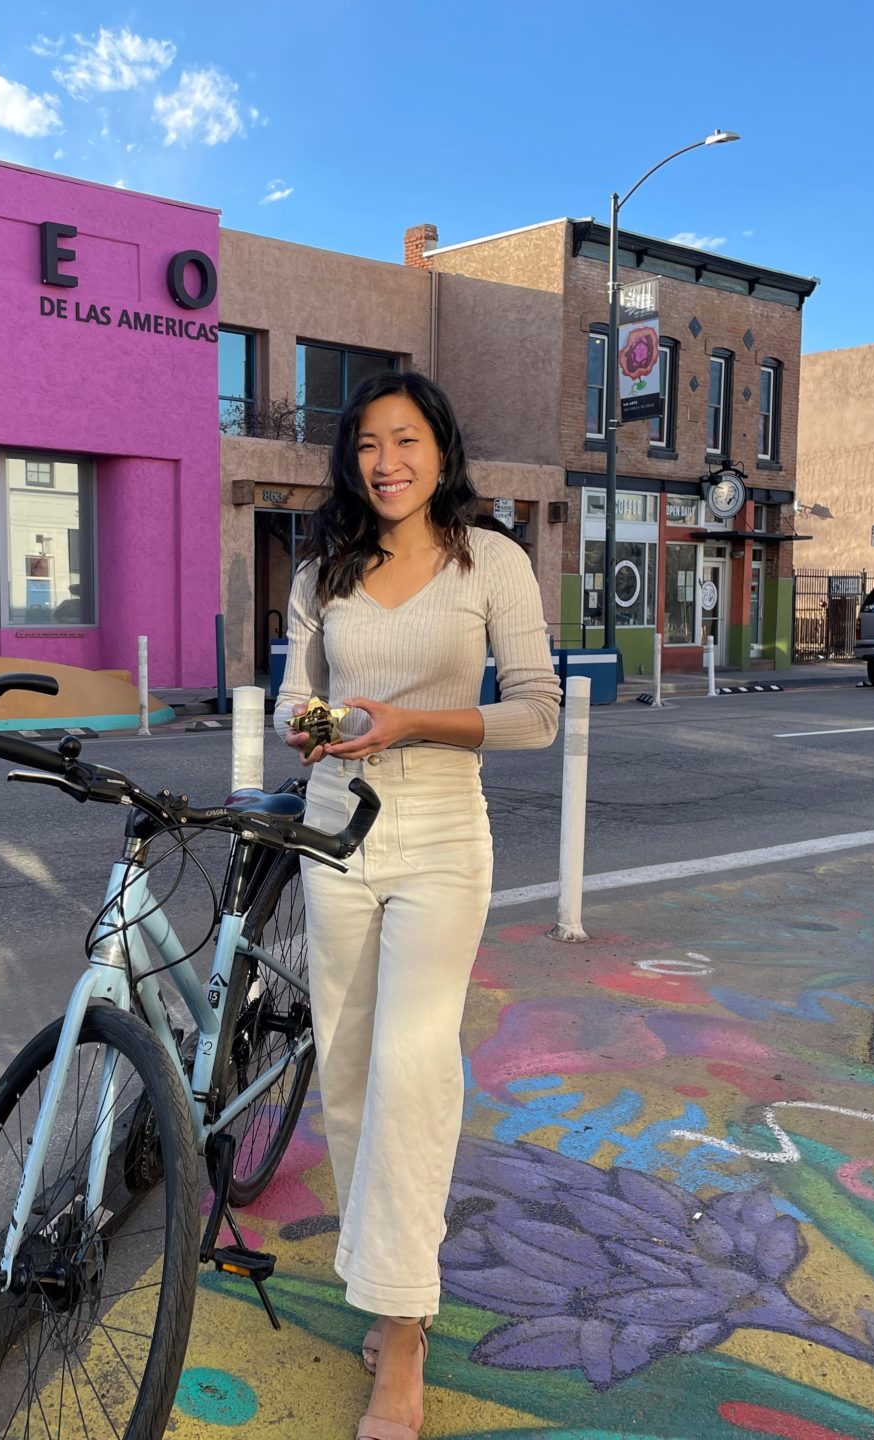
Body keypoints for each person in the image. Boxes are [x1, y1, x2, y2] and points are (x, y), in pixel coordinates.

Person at [275, 371, 560, 1440]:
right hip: (332, 836)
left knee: (411, 1066)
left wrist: (408, 724)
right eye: (366, 446)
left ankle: (403, 1332)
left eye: (404, 440)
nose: (384, 462)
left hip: (443, 841)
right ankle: (387, 1282)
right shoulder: (324, 571)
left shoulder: (493, 560)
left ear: (442, 447)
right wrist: (315, 730)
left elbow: (538, 716)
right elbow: (294, 706)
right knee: (346, 1074)